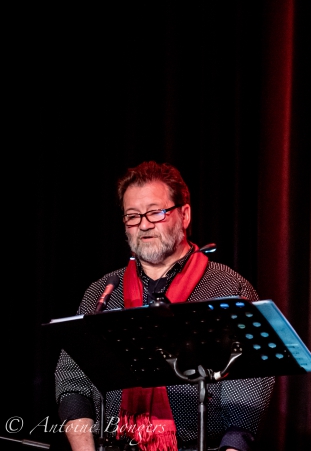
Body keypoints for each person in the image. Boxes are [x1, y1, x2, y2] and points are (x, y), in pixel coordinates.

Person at [54, 161, 274, 451]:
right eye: (133, 216)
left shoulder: (228, 289)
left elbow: (248, 390)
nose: (144, 225)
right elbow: (72, 380)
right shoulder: (103, 292)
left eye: (156, 212)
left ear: (184, 215)